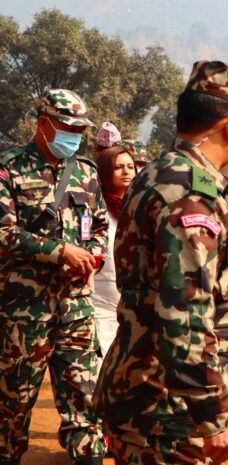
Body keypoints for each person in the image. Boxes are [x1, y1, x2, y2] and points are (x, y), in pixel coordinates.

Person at [93, 60, 228, 465]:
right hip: (168, 409)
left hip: (147, 395)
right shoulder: (191, 194)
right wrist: (215, 415)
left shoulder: (157, 173)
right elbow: (184, 315)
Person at [0, 89, 108, 465]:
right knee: (12, 408)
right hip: (24, 314)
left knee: (85, 404)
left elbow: (98, 228)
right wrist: (60, 251)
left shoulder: (86, 172)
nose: (75, 136)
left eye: (80, 130)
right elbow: (3, 232)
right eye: (68, 128)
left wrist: (93, 257)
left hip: (76, 311)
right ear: (44, 124)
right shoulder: (10, 168)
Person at [92, 146, 136, 360]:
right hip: (100, 308)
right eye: (118, 167)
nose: (126, 171)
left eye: (130, 166)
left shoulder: (142, 209)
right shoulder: (93, 209)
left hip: (136, 310)